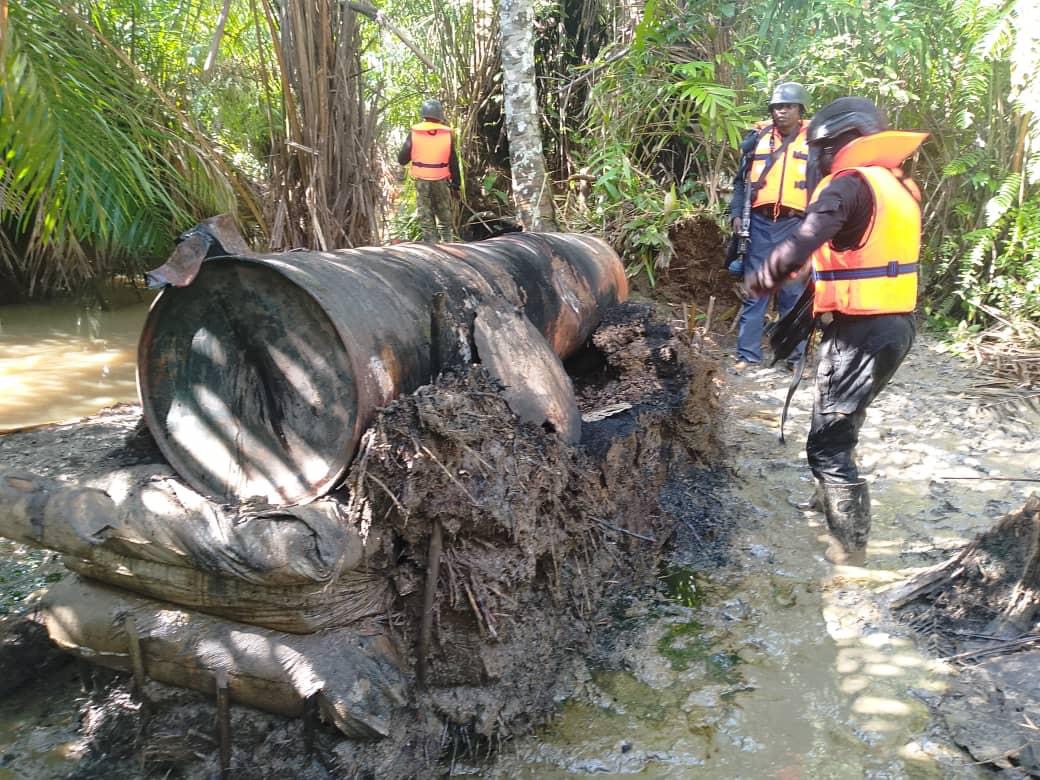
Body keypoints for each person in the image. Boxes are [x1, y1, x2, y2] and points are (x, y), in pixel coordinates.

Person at [743, 97, 928, 565]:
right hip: (892, 325)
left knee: (828, 444)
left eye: (821, 150)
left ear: (842, 143)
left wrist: (761, 278)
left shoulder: (846, 187)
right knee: (840, 418)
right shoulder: (898, 185)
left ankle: (849, 552)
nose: (818, 161)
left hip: (862, 334)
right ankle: (825, 502)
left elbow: (803, 242)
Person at [730, 82, 812, 370]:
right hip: (761, 224)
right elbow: (740, 182)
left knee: (792, 293)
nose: (782, 112)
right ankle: (748, 355)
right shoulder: (757, 139)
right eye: (777, 106)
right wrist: (735, 214)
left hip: (797, 225)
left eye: (788, 106)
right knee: (757, 292)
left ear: (800, 109)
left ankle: (794, 357)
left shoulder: (814, 141)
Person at [398, 99, 461, 242]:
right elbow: (453, 161)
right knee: (445, 220)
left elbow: (402, 159)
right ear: (440, 115)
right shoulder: (447, 134)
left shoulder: (414, 133)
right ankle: (448, 246)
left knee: (426, 221)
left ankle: (431, 248)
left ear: (423, 114)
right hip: (441, 180)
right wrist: (456, 185)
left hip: (422, 181)